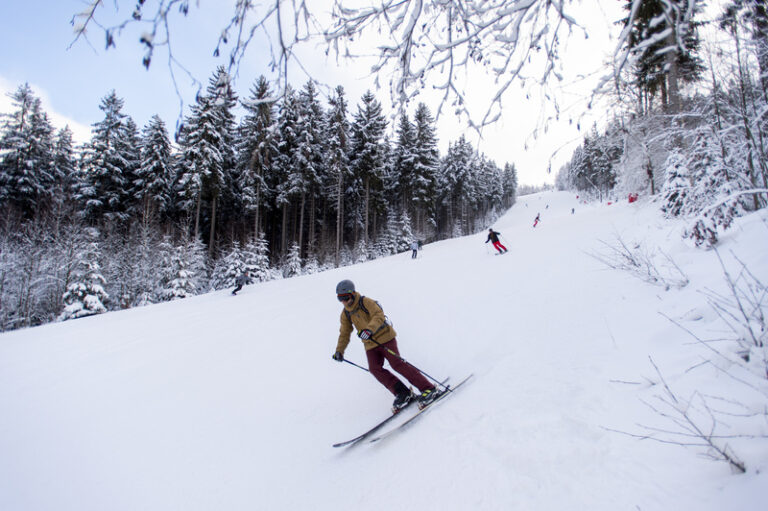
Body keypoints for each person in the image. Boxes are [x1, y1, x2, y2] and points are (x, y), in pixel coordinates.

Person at [332, 279, 438, 412]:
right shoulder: (346, 313)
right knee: (374, 369)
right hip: (370, 344)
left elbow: (378, 315)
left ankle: (428, 389)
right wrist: (339, 351)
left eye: (345, 298)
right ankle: (403, 393)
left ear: (352, 294)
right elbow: (344, 332)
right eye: (339, 299)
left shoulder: (365, 302)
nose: (343, 301)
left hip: (385, 337)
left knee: (397, 364)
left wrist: (369, 329)